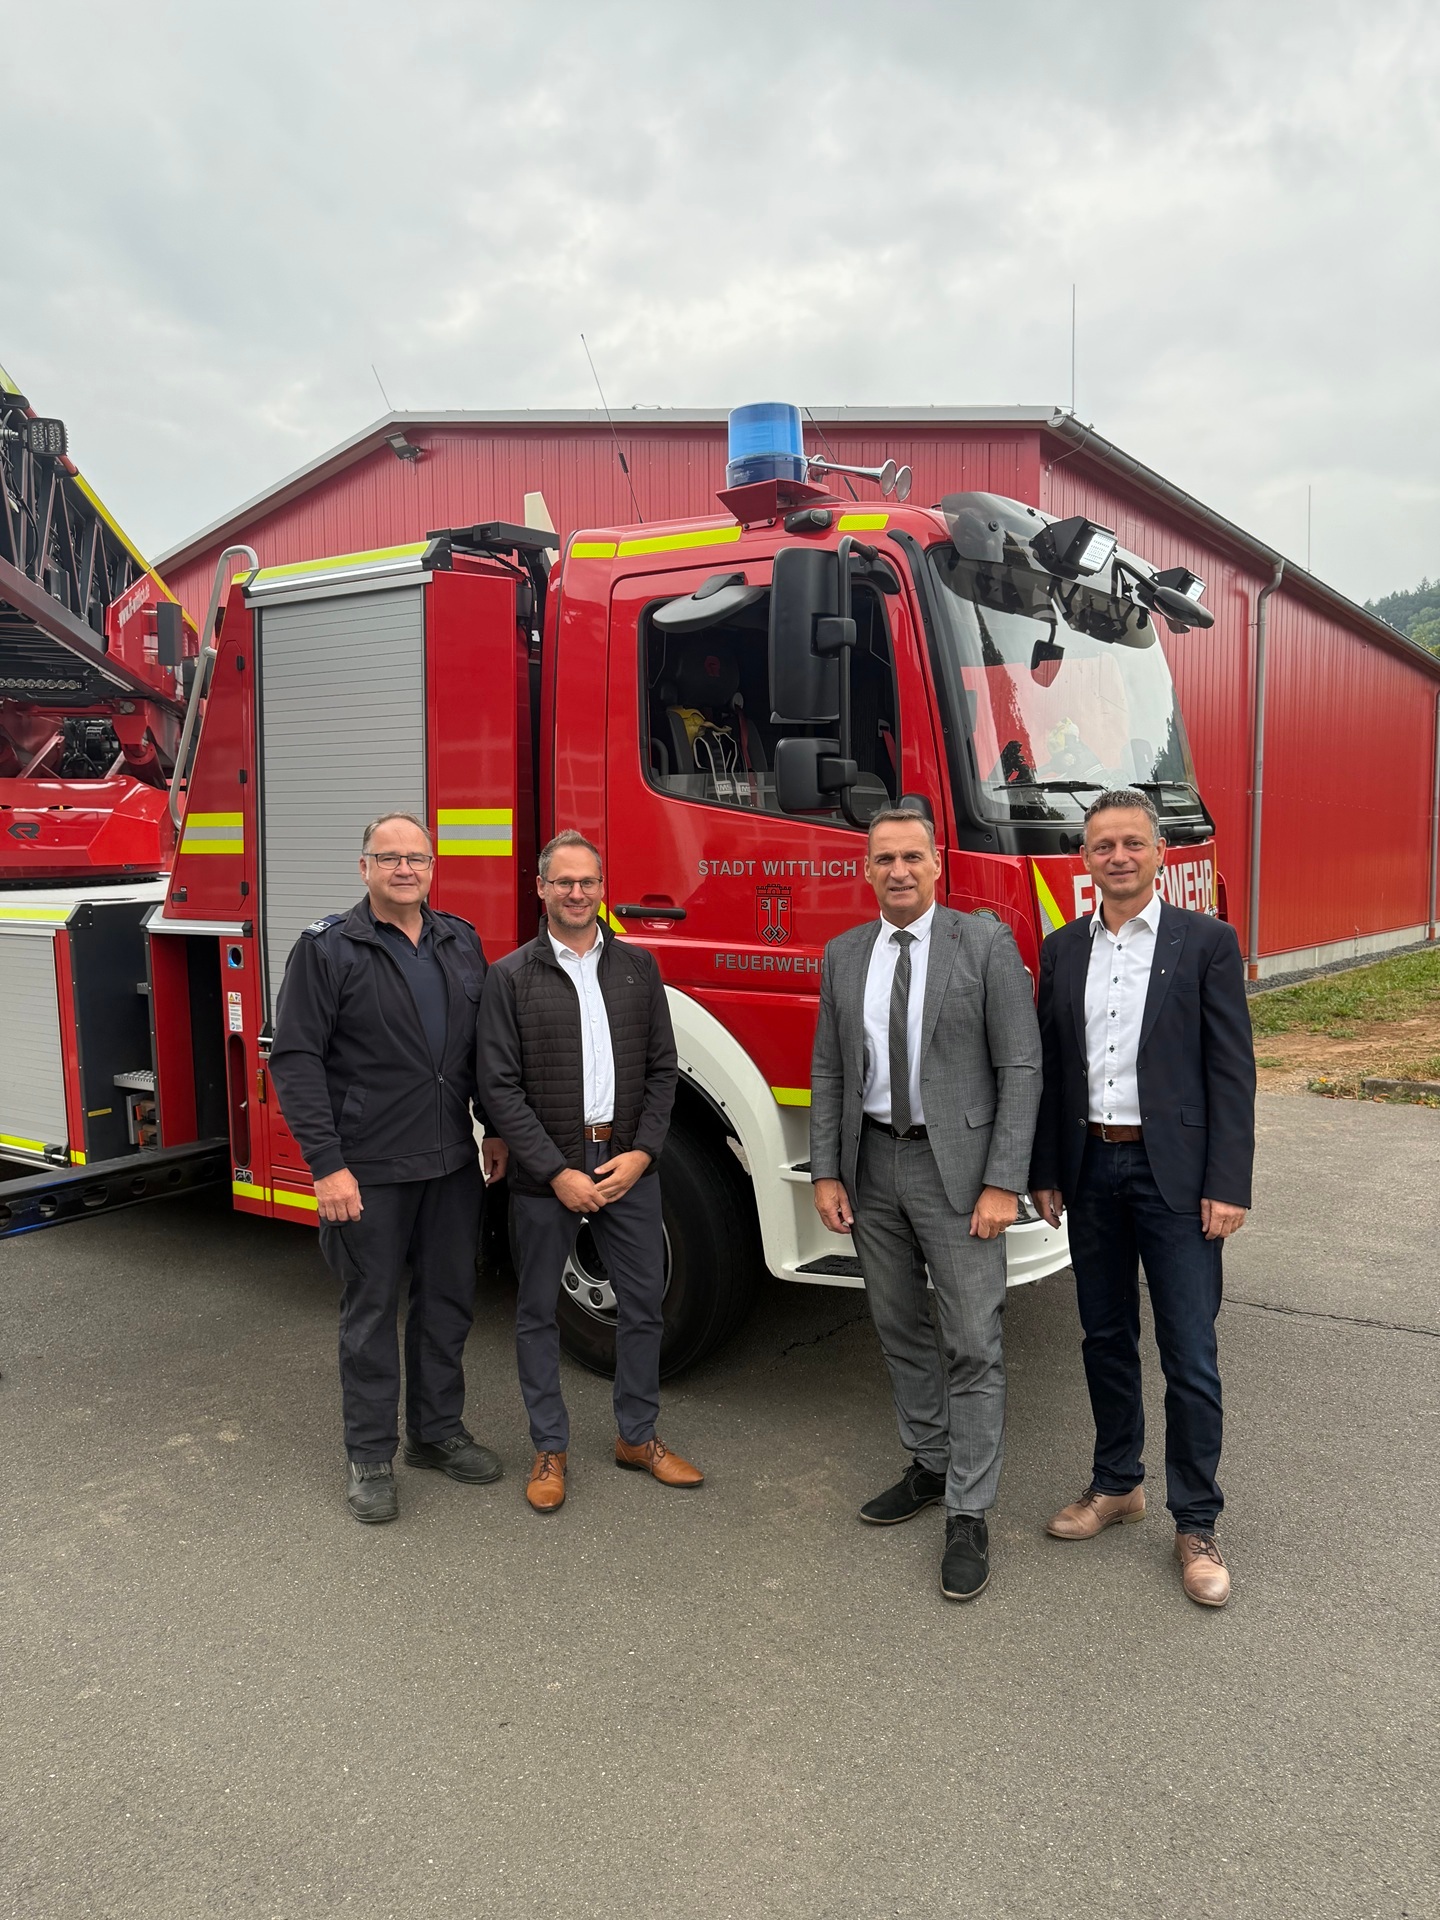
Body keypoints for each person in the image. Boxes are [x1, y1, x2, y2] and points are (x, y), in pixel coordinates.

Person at [1028, 789, 1255, 1607]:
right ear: (1083, 861)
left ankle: (1196, 1522)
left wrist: (1228, 1184)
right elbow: (1051, 1072)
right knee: (1104, 1337)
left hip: (1181, 1183)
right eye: (1101, 845)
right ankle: (1117, 1483)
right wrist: (1045, 1169)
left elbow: (1232, 1072)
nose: (1117, 857)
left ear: (1160, 854)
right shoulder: (1061, 950)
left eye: (1132, 843)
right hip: (1091, 1170)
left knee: (1190, 1355)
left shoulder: (1207, 944)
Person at [810, 807, 1042, 1601]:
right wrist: (827, 1173)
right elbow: (829, 1072)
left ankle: (968, 1514)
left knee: (973, 1340)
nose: (899, 870)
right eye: (885, 859)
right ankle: (929, 1460)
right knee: (897, 1323)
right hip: (873, 1164)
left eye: (913, 857)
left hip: (960, 1173)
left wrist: (1003, 1182)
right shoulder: (843, 956)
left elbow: (1020, 1067)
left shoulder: (982, 943)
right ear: (866, 870)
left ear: (937, 865)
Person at [270, 811, 507, 1525]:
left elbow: (483, 1050)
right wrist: (327, 1165)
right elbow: (297, 1059)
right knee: (370, 1314)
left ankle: (435, 1435)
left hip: (449, 1163)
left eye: (418, 857)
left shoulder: (459, 941)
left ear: (433, 868)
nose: (406, 869)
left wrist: (493, 1129)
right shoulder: (328, 950)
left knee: (447, 1305)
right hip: (367, 1168)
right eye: (390, 857)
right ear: (364, 867)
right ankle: (370, 1454)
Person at [478, 829, 701, 1513]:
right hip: (549, 1173)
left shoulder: (638, 969)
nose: (576, 892)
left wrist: (643, 1153)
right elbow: (498, 1089)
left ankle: (637, 1436)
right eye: (562, 881)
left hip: (626, 1164)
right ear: (540, 889)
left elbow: (664, 1071)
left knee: (642, 1308)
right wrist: (554, 1172)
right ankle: (550, 1448)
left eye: (588, 881)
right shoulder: (509, 977)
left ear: (603, 889)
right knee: (538, 1314)